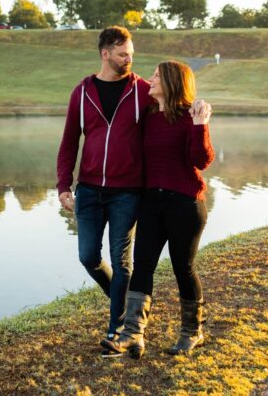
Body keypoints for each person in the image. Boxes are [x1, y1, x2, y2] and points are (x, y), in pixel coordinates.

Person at [102, 60, 214, 358]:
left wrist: (201, 124)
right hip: (152, 203)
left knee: (183, 268)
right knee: (143, 265)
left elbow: (202, 160)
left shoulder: (190, 116)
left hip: (185, 204)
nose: (150, 80)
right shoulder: (149, 117)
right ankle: (132, 334)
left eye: (156, 76)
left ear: (172, 82)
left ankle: (192, 332)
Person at [57, 26, 152, 347]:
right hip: (89, 190)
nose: (129, 59)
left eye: (131, 54)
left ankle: (117, 329)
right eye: (123, 54)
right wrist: (63, 185)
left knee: (122, 261)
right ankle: (123, 306)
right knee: (88, 256)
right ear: (105, 53)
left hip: (128, 191)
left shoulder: (142, 91)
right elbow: (69, 141)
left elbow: (168, 119)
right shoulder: (82, 92)